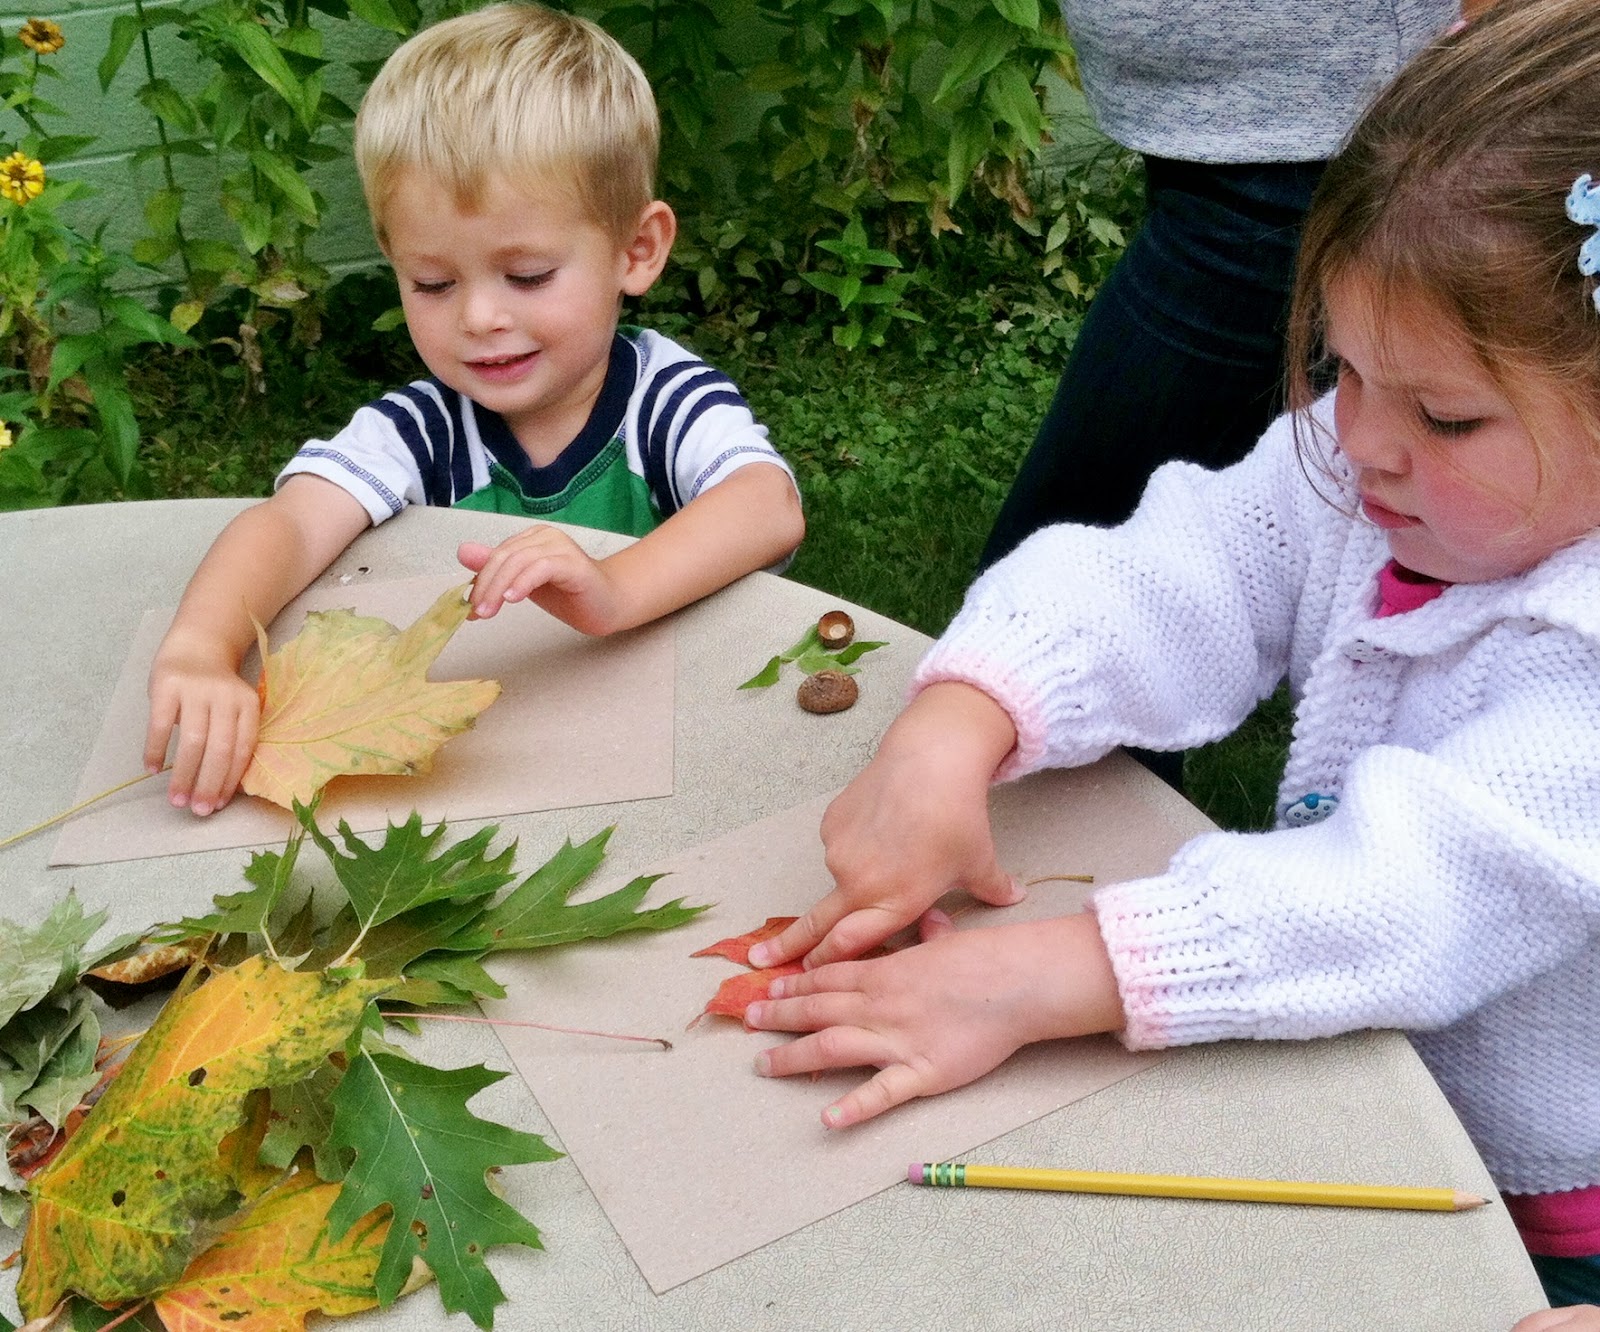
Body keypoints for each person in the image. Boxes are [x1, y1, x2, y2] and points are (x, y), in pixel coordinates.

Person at [742, 0, 1600, 1310]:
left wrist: (1039, 975)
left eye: (1444, 413)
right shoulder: (1361, 464)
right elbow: (1181, 563)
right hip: (1329, 1068)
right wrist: (963, 717)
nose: (1359, 440)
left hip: (1535, 1192)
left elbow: (1416, 893)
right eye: (1344, 367)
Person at [143, 2, 804, 817]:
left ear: (637, 251)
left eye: (526, 276)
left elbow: (765, 506)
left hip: (681, 744)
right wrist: (203, 647)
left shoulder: (662, 397)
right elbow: (287, 524)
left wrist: (613, 589)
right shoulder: (422, 427)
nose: (480, 318)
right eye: (433, 283)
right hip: (491, 766)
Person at [977, 0, 1464, 575]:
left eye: (1445, 416)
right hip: (1211, 126)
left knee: (1064, 567)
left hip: (1308, 130)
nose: (1359, 443)